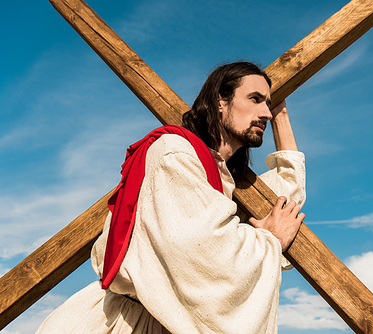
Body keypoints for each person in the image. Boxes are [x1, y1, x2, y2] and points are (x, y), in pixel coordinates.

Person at [35, 62, 306, 333]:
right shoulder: (175, 154)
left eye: (268, 104)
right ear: (220, 101)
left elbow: (284, 206)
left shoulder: (220, 178)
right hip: (124, 322)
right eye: (255, 99)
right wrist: (270, 241)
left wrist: (281, 115)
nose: (265, 113)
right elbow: (204, 248)